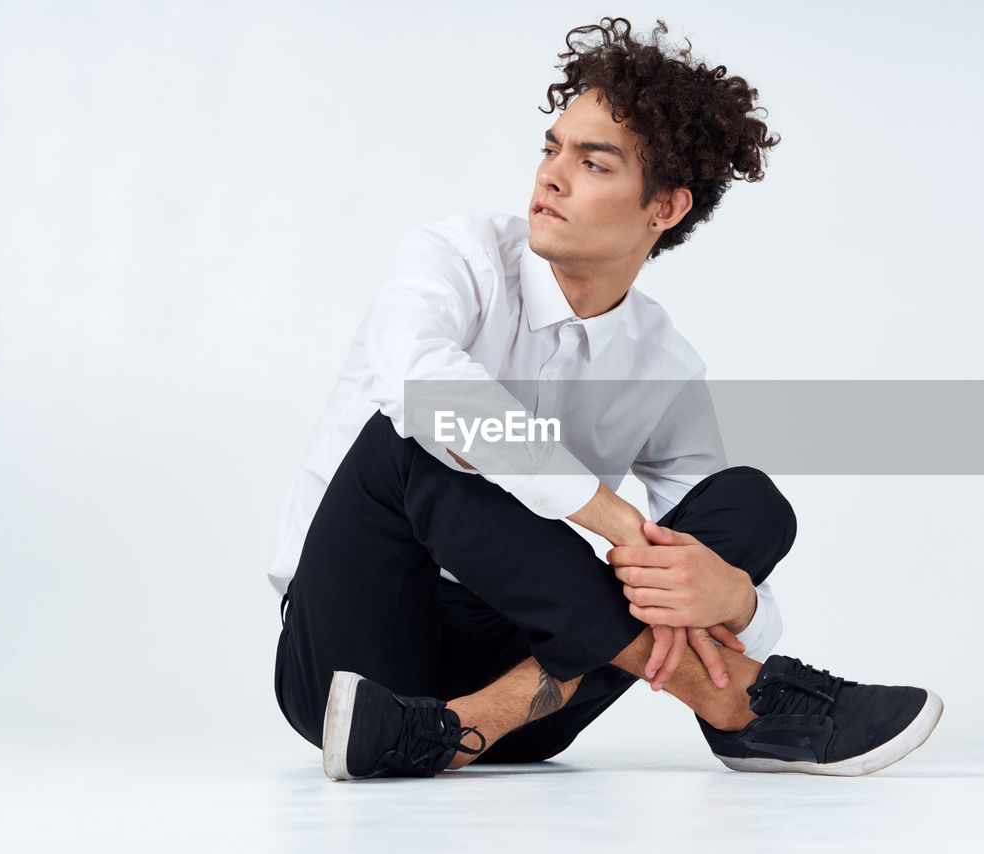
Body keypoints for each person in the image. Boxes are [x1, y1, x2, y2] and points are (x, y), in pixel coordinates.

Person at [269, 17, 942, 780]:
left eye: (593, 163)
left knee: (749, 505)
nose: (550, 176)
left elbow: (704, 559)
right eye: (551, 149)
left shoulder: (662, 367)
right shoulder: (456, 260)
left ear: (665, 209)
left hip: (530, 688)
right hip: (355, 672)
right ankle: (734, 708)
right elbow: (423, 387)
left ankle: (463, 728)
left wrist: (739, 602)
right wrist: (613, 516)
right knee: (410, 439)